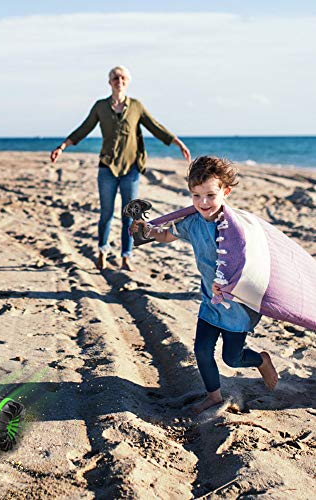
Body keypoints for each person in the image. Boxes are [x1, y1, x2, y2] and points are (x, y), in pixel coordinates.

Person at [131, 156, 278, 414]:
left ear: (225, 192)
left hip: (235, 307)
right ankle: (213, 396)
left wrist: (228, 283)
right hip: (210, 302)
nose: (203, 202)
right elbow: (166, 235)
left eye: (211, 195)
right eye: (196, 196)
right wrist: (147, 231)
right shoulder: (192, 222)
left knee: (233, 358)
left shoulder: (236, 228)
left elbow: (249, 260)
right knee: (201, 350)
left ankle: (261, 360)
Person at [50, 65, 190, 271]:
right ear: (109, 82)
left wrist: (179, 144)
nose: (119, 81)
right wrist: (62, 146)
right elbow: (84, 128)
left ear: (128, 82)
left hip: (131, 170)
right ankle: (102, 252)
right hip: (107, 168)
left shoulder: (136, 106)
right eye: (115, 78)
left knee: (130, 215)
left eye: (123, 77)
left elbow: (155, 127)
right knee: (106, 214)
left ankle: (126, 256)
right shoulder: (100, 106)